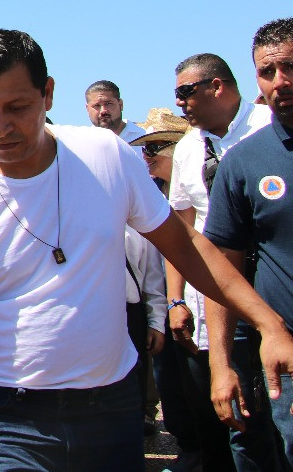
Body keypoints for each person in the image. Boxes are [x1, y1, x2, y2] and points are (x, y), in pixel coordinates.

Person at [0, 29, 293, 472]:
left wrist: (269, 324)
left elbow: (186, 245)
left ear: (48, 93)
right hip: (7, 422)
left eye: (17, 107)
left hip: (112, 411)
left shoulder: (105, 155)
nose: (0, 128)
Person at [166, 52, 271, 471]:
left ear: (218, 87)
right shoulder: (189, 150)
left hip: (271, 286)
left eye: (186, 92)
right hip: (214, 298)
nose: (180, 104)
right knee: (231, 416)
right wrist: (174, 301)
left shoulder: (268, 129)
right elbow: (180, 231)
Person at [205, 18, 293, 470]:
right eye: (268, 71)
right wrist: (222, 364)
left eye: (291, 66)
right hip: (285, 354)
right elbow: (223, 269)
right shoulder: (243, 163)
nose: (282, 81)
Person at [129, 109, 200, 471]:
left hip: (200, 308)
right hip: (167, 309)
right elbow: (149, 268)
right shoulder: (149, 198)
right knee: (173, 389)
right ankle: (188, 447)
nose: (148, 155)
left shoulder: (203, 198)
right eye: (145, 147)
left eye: (157, 146)